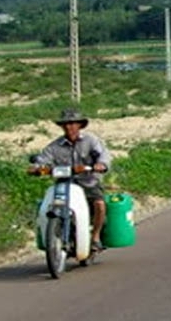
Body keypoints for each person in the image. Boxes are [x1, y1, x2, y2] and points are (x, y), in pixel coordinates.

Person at [34, 108, 112, 253]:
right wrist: (37, 168)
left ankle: (95, 237)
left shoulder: (91, 141)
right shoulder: (55, 146)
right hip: (64, 184)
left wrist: (101, 164)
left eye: (72, 123)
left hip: (89, 182)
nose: (68, 127)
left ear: (80, 125)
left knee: (99, 204)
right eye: (65, 124)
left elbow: (104, 155)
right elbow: (43, 159)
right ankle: (54, 235)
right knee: (49, 206)